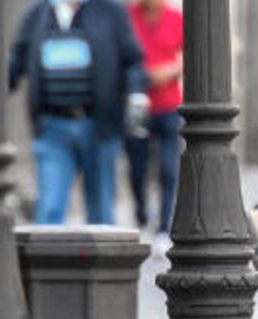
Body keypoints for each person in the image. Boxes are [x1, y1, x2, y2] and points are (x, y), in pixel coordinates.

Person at [9, 0, 150, 225]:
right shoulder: (37, 13)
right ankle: (46, 261)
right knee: (50, 207)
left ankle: (101, 261)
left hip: (99, 125)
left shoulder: (110, 11)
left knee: (100, 209)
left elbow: (132, 60)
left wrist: (137, 95)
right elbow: (17, 60)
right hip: (52, 127)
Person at [126, 0, 183, 247]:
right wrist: (144, 75)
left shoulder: (175, 18)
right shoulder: (129, 16)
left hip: (169, 105)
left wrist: (170, 71)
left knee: (169, 169)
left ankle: (164, 226)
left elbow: (188, 54)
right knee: (138, 168)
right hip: (139, 104)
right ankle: (141, 215)